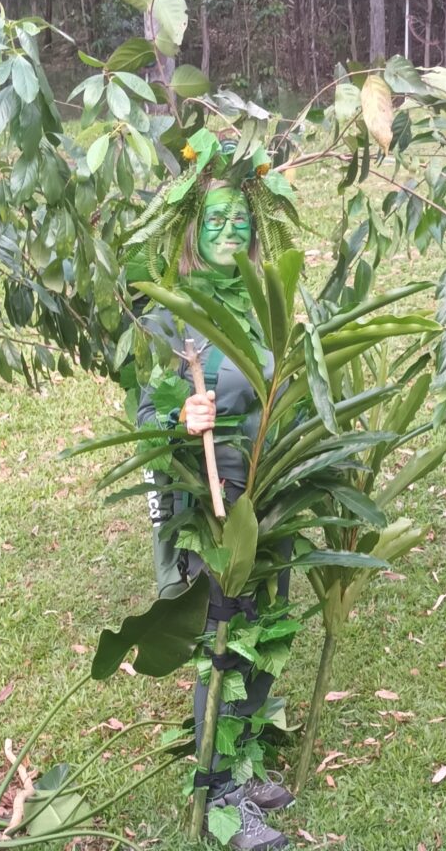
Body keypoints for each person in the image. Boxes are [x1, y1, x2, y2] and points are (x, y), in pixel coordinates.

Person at [129, 133, 299, 850]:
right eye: (215, 219)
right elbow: (145, 416)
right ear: (192, 227)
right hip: (215, 504)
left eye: (241, 221)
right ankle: (219, 795)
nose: (230, 232)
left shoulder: (271, 299)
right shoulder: (176, 314)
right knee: (223, 641)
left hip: (276, 495)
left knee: (266, 638)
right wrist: (180, 413)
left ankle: (243, 757)